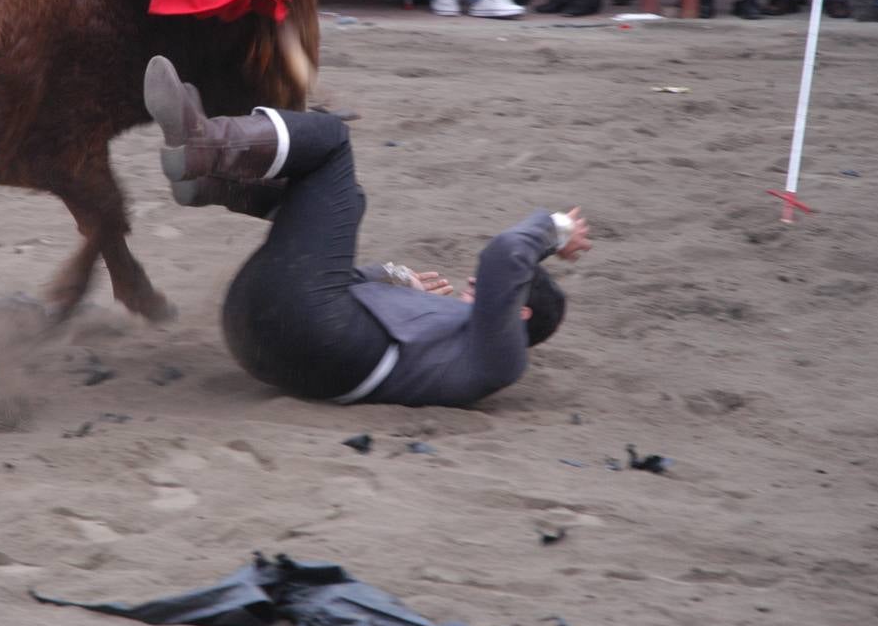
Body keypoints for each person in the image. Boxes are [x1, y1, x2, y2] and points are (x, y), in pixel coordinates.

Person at [142, 55, 593, 406]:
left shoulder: (504, 356)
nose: (475, 281)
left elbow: (504, 255)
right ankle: (212, 181)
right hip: (263, 341)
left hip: (313, 337)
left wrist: (557, 230)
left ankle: (208, 144)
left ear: (520, 314)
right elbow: (323, 277)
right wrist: (391, 279)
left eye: (503, 290)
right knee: (347, 199)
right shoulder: (456, 340)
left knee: (332, 141)